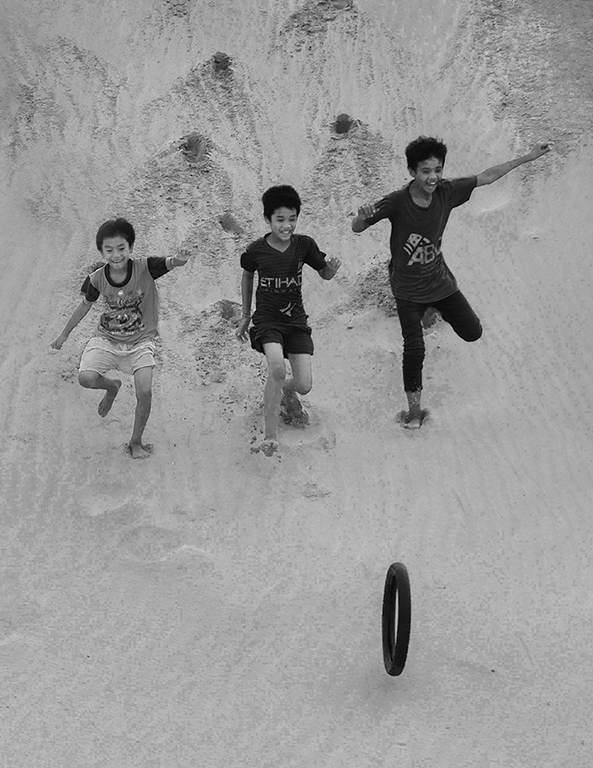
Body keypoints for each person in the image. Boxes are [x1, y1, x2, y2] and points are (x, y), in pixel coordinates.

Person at [351, 136, 552, 429]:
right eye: (425, 171)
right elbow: (357, 228)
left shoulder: (447, 191)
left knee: (473, 333)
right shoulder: (397, 202)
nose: (432, 177)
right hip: (406, 290)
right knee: (415, 348)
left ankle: (433, 310)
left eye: (437, 170)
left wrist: (528, 157)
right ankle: (414, 412)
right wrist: (360, 218)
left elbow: (487, 176)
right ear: (412, 172)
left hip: (440, 282)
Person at [50, 217, 191, 458]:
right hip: (107, 339)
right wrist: (64, 334)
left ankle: (136, 442)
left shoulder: (145, 267)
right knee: (85, 378)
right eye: (109, 250)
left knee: (144, 390)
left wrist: (179, 259)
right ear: (101, 251)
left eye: (121, 248)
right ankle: (112, 387)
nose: (116, 255)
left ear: (131, 248)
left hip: (141, 341)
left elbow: (169, 263)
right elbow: (84, 306)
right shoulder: (96, 279)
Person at [236, 185, 340, 456]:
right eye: (280, 219)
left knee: (304, 384)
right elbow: (247, 276)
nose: (287, 225)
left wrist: (331, 269)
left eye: (292, 219)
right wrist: (246, 316)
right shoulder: (256, 250)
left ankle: (284, 393)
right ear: (267, 220)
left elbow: (324, 274)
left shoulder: (304, 245)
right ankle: (270, 435)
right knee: (277, 370)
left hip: (295, 322)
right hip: (267, 321)